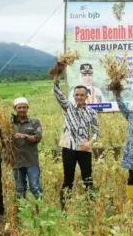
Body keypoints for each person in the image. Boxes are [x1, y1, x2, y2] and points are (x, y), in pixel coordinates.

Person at [53, 73, 99, 210]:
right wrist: (56, 80)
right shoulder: (68, 107)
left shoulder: (92, 112)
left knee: (88, 178)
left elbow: (97, 132)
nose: (79, 97)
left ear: (86, 96)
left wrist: (90, 143)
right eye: (76, 95)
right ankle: (64, 206)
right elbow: (58, 94)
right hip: (68, 148)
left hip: (84, 149)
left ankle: (91, 204)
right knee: (68, 178)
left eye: (81, 95)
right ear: (73, 96)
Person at [12, 97, 43, 200]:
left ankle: (40, 211)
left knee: (35, 187)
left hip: (31, 161)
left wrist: (25, 136)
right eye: (19, 107)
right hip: (16, 162)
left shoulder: (34, 122)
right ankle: (23, 212)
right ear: (15, 108)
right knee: (20, 189)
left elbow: (37, 138)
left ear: (27, 108)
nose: (22, 110)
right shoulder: (10, 123)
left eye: (24, 107)